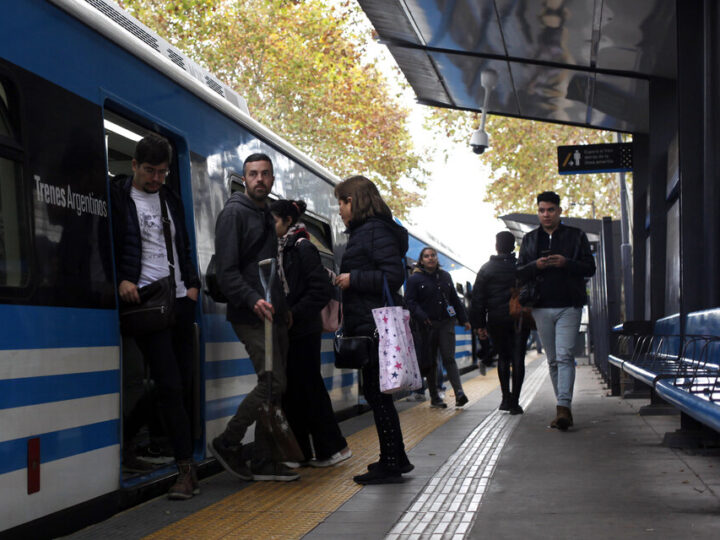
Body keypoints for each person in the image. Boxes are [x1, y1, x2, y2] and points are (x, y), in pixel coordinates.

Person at [111, 134, 200, 499]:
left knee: (175, 385)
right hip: (146, 303)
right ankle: (186, 471)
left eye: (162, 172)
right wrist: (121, 280)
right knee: (169, 385)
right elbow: (103, 246)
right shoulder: (118, 199)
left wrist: (192, 285)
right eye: (150, 170)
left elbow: (184, 246)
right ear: (133, 165)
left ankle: (130, 438)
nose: (156, 178)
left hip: (179, 300)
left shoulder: (170, 199)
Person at [209, 153, 298, 482]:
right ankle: (228, 441)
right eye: (253, 174)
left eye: (265, 174)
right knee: (272, 382)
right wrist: (253, 300)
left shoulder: (264, 214)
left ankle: (264, 459)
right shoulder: (233, 214)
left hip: (271, 313)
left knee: (275, 386)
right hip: (249, 313)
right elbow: (226, 272)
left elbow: (270, 270)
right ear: (244, 179)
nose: (259, 179)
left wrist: (283, 309)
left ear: (272, 180)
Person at [334, 175, 413, 484]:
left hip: (375, 326)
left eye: (342, 201)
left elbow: (392, 276)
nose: (339, 208)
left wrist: (353, 279)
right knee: (377, 394)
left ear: (355, 201)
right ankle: (394, 458)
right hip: (368, 323)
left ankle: (392, 462)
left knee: (378, 395)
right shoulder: (366, 232)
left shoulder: (374, 231)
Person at [270, 198, 352, 467]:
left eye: (274, 221)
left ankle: (335, 447)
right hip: (291, 329)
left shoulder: (303, 248)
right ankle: (301, 451)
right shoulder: (282, 249)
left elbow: (320, 290)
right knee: (294, 390)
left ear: (288, 222)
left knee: (309, 388)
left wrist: (293, 312)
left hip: (304, 329)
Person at [517, 191, 595, 430]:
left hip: (569, 305)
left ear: (559, 211)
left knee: (565, 355)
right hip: (540, 307)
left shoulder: (575, 236)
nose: (546, 214)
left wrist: (566, 263)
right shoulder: (530, 240)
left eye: (550, 210)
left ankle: (563, 408)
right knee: (552, 360)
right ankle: (562, 406)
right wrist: (536, 265)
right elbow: (519, 272)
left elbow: (589, 268)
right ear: (538, 212)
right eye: (542, 210)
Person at [470, 231, 529, 415]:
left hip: (496, 319)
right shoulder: (521, 266)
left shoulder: (486, 269)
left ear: (497, 246)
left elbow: (477, 299)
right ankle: (515, 402)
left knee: (503, 357)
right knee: (518, 358)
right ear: (513, 247)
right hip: (519, 317)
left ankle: (505, 398)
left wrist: (479, 325)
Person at [405, 247, 471, 409]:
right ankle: (435, 397)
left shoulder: (445, 276)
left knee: (449, 357)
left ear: (436, 258)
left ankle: (459, 393)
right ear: (421, 260)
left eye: (433, 255)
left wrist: (464, 319)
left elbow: (454, 299)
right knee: (432, 361)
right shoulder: (415, 279)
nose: (430, 258)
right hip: (427, 325)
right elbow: (410, 302)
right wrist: (422, 316)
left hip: (446, 323)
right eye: (426, 256)